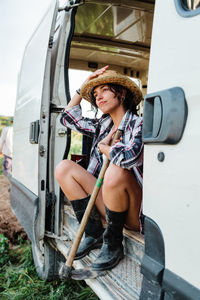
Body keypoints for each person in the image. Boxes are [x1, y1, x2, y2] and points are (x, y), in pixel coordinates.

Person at [55, 66, 144, 271]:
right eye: (95, 94)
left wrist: (104, 148)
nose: (98, 97)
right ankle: (93, 232)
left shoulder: (138, 124)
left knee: (116, 169)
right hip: (106, 203)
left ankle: (113, 244)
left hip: (131, 212)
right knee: (63, 168)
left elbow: (128, 158)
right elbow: (67, 117)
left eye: (104, 90)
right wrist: (84, 85)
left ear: (121, 93)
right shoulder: (101, 126)